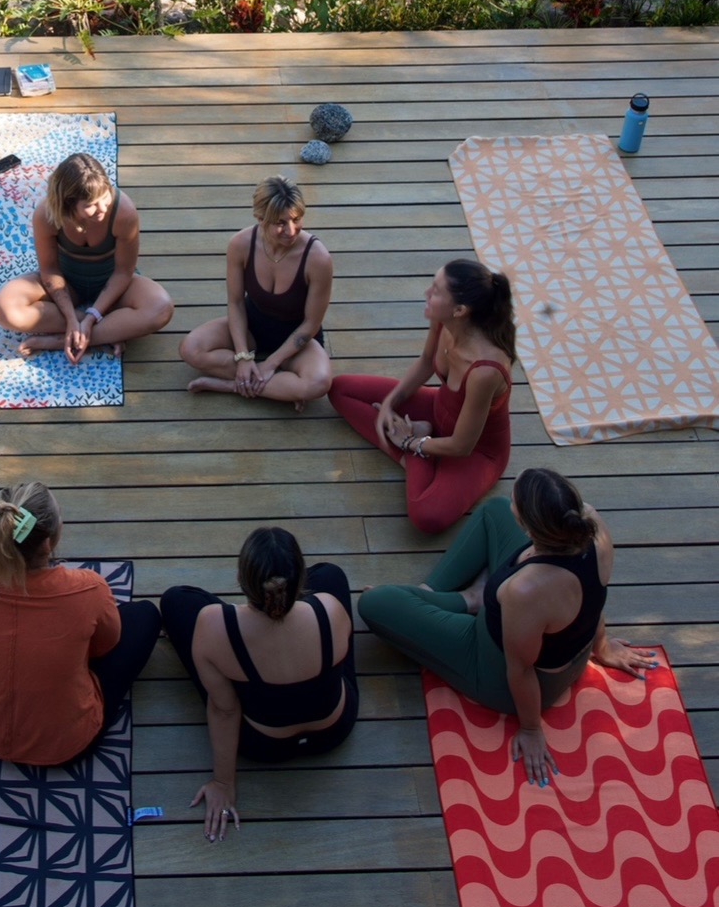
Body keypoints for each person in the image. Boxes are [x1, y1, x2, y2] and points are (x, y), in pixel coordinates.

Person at [359, 467, 656, 785]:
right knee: (493, 509)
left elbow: (521, 669)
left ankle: (466, 599)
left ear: (529, 528)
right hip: (558, 642)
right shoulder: (592, 526)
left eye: (518, 501)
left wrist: (531, 728)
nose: (513, 498)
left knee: (374, 603)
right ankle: (437, 596)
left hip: (502, 674)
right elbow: (594, 601)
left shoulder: (526, 591)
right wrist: (602, 647)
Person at [0, 481, 161, 765]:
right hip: (67, 744)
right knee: (146, 615)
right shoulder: (89, 589)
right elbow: (105, 646)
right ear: (50, 540)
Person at [161, 528, 357, 842]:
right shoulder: (331, 610)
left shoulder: (214, 626)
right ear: (299, 580)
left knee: (178, 600)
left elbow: (224, 711)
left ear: (241, 580)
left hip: (264, 744)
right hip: (333, 729)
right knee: (331, 575)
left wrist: (224, 784)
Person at [328, 259, 514, 534]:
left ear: (460, 310)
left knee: (426, 516)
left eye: (436, 291)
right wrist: (391, 402)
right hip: (438, 408)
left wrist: (411, 442)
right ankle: (417, 445)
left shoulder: (485, 370)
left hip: (475, 451)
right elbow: (427, 362)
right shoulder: (444, 320)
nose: (427, 293)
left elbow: (462, 445)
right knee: (340, 389)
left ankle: (413, 451)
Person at [0, 153, 173, 361]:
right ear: (68, 204)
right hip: (67, 282)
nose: (102, 208)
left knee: (160, 308)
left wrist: (91, 318)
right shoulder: (46, 214)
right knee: (4, 308)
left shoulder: (124, 212)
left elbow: (123, 272)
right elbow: (50, 270)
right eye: (91, 204)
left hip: (114, 283)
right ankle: (107, 331)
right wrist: (71, 318)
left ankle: (62, 340)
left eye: (105, 197)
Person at [178, 176, 332, 408]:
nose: (291, 230)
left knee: (318, 383)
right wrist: (242, 357)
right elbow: (236, 303)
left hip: (296, 336)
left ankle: (232, 386)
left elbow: (310, 324)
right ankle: (279, 387)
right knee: (191, 349)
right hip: (253, 324)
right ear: (260, 218)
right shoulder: (240, 244)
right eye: (280, 222)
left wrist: (270, 363)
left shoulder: (318, 258)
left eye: (297, 219)